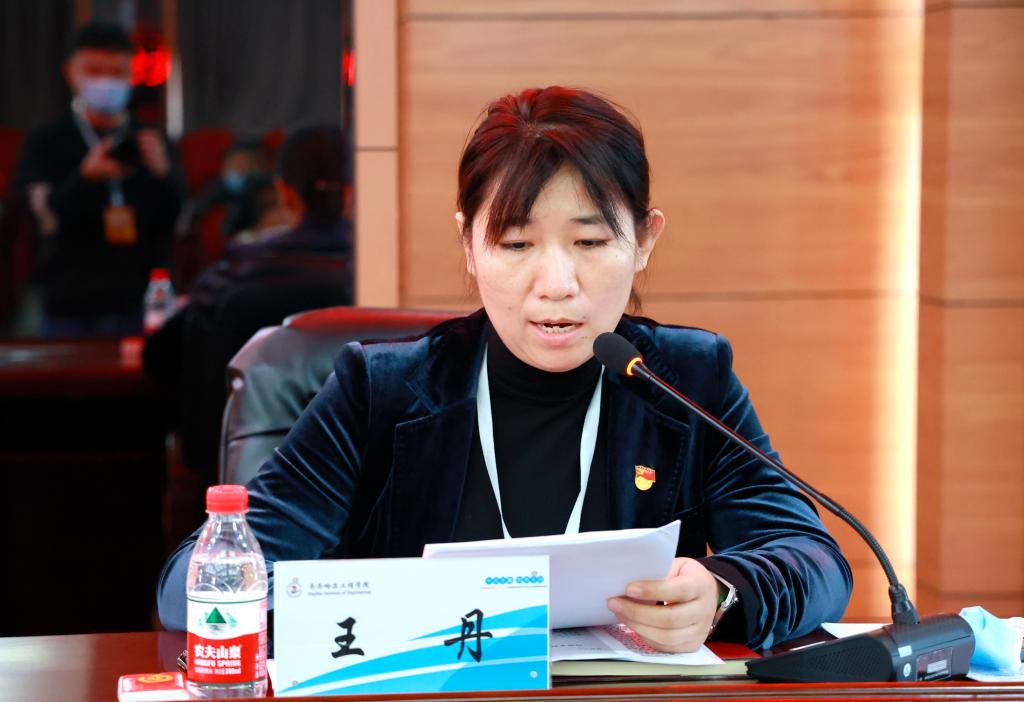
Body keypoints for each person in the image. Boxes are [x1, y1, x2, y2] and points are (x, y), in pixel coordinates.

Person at [157, 87, 851, 651]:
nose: (556, 285)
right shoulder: (382, 391)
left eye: (589, 242)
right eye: (517, 244)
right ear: (468, 243)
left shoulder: (687, 379)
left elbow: (815, 561)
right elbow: (191, 588)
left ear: (644, 240)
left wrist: (722, 591)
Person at [144, 125, 353, 492]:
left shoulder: (232, 275)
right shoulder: (383, 277)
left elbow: (160, 358)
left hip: (245, 492)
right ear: (353, 193)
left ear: (284, 193)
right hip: (369, 489)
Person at [13, 22, 183, 336]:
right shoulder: (47, 140)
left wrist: (162, 176)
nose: (106, 80)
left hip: (139, 295)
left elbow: (175, 220)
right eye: (94, 70)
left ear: (132, 74)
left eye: (117, 72)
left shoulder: (152, 139)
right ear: (70, 72)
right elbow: (41, 218)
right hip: (68, 297)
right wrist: (84, 178)